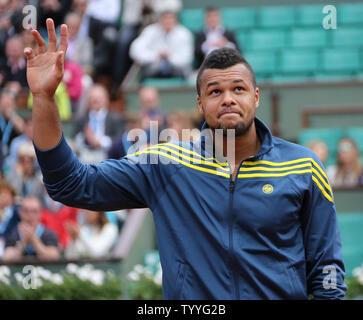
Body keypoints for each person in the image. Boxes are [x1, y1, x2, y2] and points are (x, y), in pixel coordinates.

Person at [25, 19, 346, 299]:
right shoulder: (166, 164)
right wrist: (43, 99)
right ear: (200, 103)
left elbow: (328, 268)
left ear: (256, 97)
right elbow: (70, 184)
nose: (229, 99)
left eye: (239, 88)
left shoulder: (303, 166)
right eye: (215, 92)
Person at [129, 11, 194, 82]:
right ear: (159, 20)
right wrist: (155, 55)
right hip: (153, 68)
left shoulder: (184, 34)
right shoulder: (150, 31)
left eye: (170, 19)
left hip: (177, 70)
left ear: (176, 21)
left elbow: (187, 58)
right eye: (165, 19)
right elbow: (135, 50)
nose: (167, 21)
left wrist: (169, 56)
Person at [2, 196, 60, 262]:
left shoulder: (49, 234)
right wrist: (23, 243)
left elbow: (54, 258)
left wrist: (34, 239)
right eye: (26, 211)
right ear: (20, 213)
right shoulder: (12, 233)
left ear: (40, 213)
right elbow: (6, 258)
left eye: (34, 211)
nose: (30, 215)